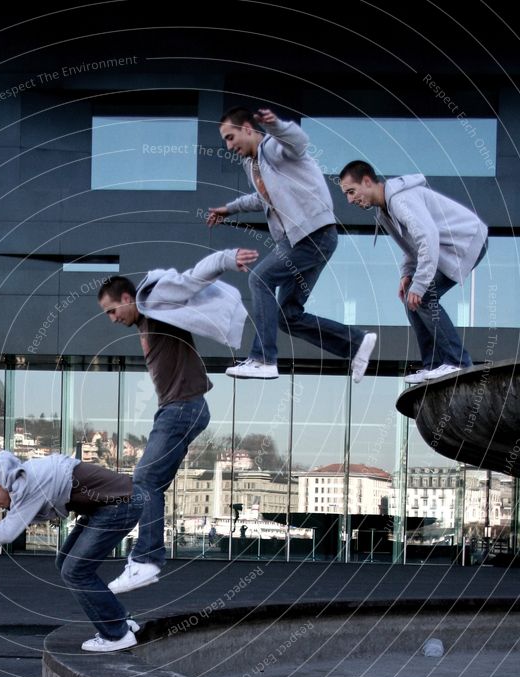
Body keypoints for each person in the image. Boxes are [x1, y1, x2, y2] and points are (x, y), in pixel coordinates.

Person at [97, 247, 256, 593]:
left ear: (127, 297)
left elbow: (192, 278)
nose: (111, 319)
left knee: (144, 479)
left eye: (112, 310)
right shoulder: (144, 320)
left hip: (183, 407)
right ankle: (146, 558)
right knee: (152, 485)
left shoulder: (155, 302)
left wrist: (227, 259)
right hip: (178, 408)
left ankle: (146, 560)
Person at [208, 106, 377, 382]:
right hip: (307, 239)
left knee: (260, 279)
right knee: (288, 315)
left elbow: (299, 141)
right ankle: (356, 342)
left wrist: (275, 125)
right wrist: (229, 209)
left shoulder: (274, 148)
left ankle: (263, 358)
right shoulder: (252, 165)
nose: (228, 146)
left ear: (248, 129)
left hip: (312, 234)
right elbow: (261, 198)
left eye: (230, 137)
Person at [0, 451, 145, 652]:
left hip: (120, 505)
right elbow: (11, 527)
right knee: (65, 563)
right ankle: (121, 622)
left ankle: (117, 634)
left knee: (75, 571)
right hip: (103, 509)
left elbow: (7, 532)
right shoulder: (20, 484)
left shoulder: (28, 482)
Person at [338, 160, 488, 384]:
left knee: (424, 296)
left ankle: (457, 362)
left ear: (367, 181)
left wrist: (420, 284)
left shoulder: (400, 200)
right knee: (412, 299)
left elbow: (428, 237)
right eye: (346, 195)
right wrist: (407, 275)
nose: (350, 200)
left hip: (466, 241)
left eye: (352, 191)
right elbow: (412, 247)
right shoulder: (384, 212)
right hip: (446, 248)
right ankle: (434, 365)